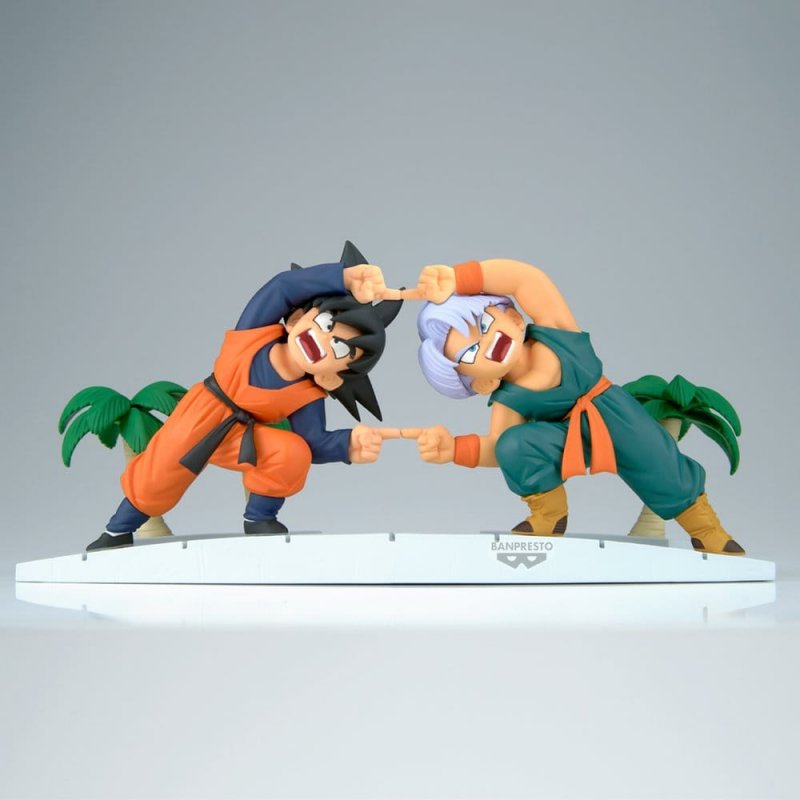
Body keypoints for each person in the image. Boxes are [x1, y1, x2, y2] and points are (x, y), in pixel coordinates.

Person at [401, 258, 745, 556]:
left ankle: (707, 530)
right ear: (481, 383)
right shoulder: (508, 398)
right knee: (513, 445)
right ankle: (549, 516)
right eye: (470, 353)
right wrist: (454, 449)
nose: (487, 342)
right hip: (567, 440)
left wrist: (459, 278)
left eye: (484, 325)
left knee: (657, 459)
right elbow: (497, 448)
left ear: (516, 318)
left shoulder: (556, 331)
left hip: (615, 414)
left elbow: (526, 280)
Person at [87, 242, 403, 550]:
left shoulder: (309, 393)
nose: (323, 342)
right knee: (159, 475)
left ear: (334, 375)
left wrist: (349, 444)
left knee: (292, 452)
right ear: (296, 318)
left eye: (340, 350)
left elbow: (313, 442)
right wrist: (341, 277)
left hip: (243, 438)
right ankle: (116, 530)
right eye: (325, 324)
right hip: (201, 413)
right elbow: (281, 288)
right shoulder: (254, 335)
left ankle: (259, 519)